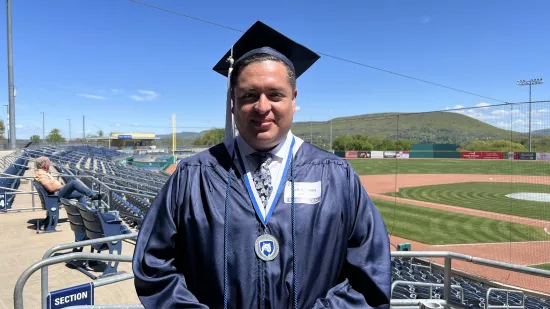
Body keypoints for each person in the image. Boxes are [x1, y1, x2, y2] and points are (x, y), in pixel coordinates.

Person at [133, 21, 391, 309]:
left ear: (294, 99)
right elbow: (152, 266)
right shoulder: (193, 175)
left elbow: (370, 273)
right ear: (232, 102)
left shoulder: (336, 175)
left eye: (275, 94)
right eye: (249, 95)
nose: (262, 107)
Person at [34, 156, 102, 203]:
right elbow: (51, 188)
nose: (50, 165)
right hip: (55, 195)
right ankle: (93, 195)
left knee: (81, 194)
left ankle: (83, 213)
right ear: (44, 165)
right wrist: (62, 186)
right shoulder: (41, 174)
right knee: (74, 182)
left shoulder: (42, 172)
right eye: (49, 163)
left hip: (56, 194)